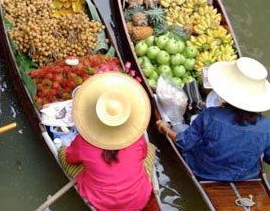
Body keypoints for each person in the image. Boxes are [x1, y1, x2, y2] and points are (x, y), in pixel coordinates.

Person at [156, 56, 270, 182]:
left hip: (202, 172)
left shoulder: (210, 115)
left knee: (179, 127)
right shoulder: (267, 126)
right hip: (246, 177)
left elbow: (185, 143)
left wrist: (165, 129)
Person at [61, 72, 154, 211]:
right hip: (138, 200)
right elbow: (143, 154)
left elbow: (70, 158)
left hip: (101, 203)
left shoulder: (83, 142)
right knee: (150, 148)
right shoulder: (136, 137)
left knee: (62, 153)